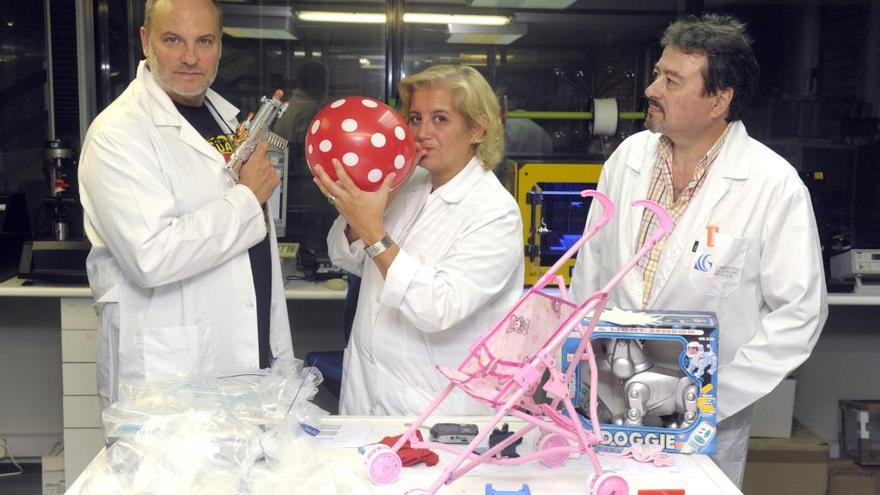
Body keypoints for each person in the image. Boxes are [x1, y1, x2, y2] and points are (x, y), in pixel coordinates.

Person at [569, 14, 827, 486]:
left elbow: (799, 315)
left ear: (719, 100)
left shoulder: (772, 185)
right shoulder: (628, 158)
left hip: (706, 422)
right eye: (656, 75)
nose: (651, 89)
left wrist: (711, 398)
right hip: (607, 404)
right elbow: (592, 270)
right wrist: (580, 367)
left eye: (671, 80)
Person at [78, 0, 294, 410]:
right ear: (146, 41)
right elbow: (151, 256)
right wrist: (249, 198)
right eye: (173, 40)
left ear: (219, 46)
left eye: (205, 41)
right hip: (172, 378)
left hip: (248, 354)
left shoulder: (223, 117)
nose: (191, 58)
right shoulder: (119, 134)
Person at [314, 65, 524, 416]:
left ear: (477, 129)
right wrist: (356, 213)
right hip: (364, 397)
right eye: (414, 118)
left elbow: (438, 307)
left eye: (440, 119)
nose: (422, 133)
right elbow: (345, 256)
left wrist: (372, 230)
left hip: (433, 413)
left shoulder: (495, 212)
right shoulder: (409, 184)